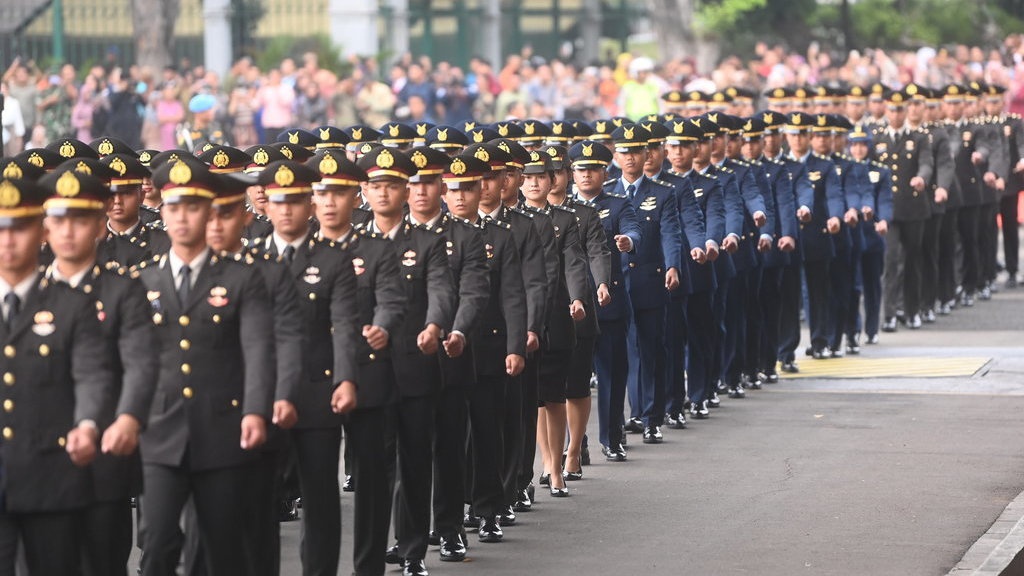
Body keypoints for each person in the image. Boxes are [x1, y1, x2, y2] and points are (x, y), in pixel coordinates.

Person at [134, 156, 275, 575]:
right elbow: (134, 359)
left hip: (221, 428)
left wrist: (253, 410)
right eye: (173, 207)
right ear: (161, 211)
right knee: (156, 543)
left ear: (209, 210)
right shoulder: (144, 280)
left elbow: (257, 348)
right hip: (160, 432)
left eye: (192, 207)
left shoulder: (241, 278)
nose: (182, 218)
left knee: (222, 548)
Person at [39, 165, 158, 576]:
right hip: (40, 454)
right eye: (59, 220)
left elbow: (141, 360)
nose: (69, 231)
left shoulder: (123, 289)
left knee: (105, 559)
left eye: (82, 218)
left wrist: (128, 418)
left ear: (99, 222)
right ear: (46, 227)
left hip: (108, 447)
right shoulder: (29, 293)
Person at [0, 174, 114, 574]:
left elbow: (90, 372)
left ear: (41, 231)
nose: (9, 240)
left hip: (51, 473)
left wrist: (87, 423)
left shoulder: (71, 304)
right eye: (1, 229)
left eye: (20, 228)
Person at [250, 159, 359, 576]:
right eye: (279, 202)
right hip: (261, 394)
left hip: (316, 391)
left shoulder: (333, 260)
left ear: (309, 204)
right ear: (268, 207)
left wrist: (347, 378)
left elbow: (345, 326)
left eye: (296, 202)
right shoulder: (251, 260)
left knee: (319, 500)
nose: (287, 210)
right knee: (259, 501)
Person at [307, 148, 405, 576]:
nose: (330, 202)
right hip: (312, 380)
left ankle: (368, 566)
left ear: (356, 196)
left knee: (371, 478)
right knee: (318, 486)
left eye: (340, 193)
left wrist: (382, 327)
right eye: (322, 193)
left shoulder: (377, 249)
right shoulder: (299, 251)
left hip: (366, 372)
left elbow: (391, 298)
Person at [357, 146, 455, 576]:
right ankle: (372, 553)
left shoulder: (428, 243)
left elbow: (441, 290)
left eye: (392, 186)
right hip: (367, 369)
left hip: (416, 363)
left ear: (404, 190)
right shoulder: (352, 244)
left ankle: (412, 551)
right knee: (373, 469)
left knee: (415, 461)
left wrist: (434, 327)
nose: (383, 194)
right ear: (365, 191)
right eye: (375, 186)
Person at [203, 171, 305, 576]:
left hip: (257, 407)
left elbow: (284, 340)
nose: (214, 224)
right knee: (202, 530)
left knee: (258, 523)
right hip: (198, 417)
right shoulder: (173, 273)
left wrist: (277, 398)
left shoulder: (268, 269)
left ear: (244, 216)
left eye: (224, 214)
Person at [606, 124, 682, 440]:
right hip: (615, 285)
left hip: (650, 280)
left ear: (646, 154)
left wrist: (673, 266)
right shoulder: (607, 192)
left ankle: (651, 417)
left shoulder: (663, 193)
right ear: (616, 155)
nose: (630, 157)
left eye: (636, 151)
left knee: (651, 349)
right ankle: (636, 413)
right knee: (626, 352)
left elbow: (671, 234)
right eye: (624, 151)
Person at [568, 140, 640, 461]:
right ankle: (576, 440)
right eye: (580, 170)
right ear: (572, 174)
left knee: (612, 372)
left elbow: (633, 229)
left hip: (608, 301)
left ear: (604, 172)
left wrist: (628, 241)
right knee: (575, 378)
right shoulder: (563, 209)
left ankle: (611, 436)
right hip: (573, 305)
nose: (586, 176)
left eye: (592, 170)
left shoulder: (618, 204)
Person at [873, 90, 935, 331]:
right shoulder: (878, 139)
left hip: (913, 208)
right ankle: (888, 313)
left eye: (900, 109)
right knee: (890, 260)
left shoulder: (918, 138)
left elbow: (926, 163)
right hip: (888, 211)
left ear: (907, 110)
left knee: (912, 260)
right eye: (892, 109)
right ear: (886, 110)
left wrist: (922, 178)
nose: (896, 114)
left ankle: (911, 310)